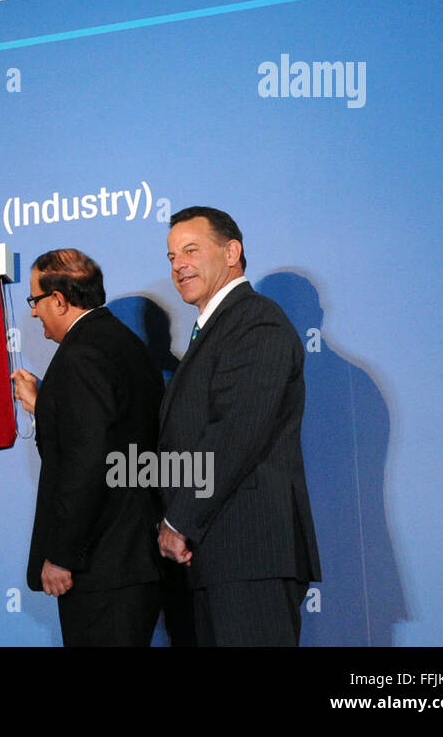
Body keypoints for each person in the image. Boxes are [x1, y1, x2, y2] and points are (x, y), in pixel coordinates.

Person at [158, 207, 321, 645]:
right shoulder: (217, 329)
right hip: (220, 555)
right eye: (172, 256)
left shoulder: (255, 321)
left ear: (233, 252)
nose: (178, 265)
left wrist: (179, 520)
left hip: (251, 554)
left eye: (191, 250)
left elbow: (235, 434)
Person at [11, 249, 163, 646]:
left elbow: (88, 461)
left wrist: (63, 555)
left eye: (35, 301)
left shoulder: (80, 355)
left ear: (59, 300)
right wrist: (44, 405)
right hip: (131, 559)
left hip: (101, 566)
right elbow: (109, 436)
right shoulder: (127, 346)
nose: (32, 313)